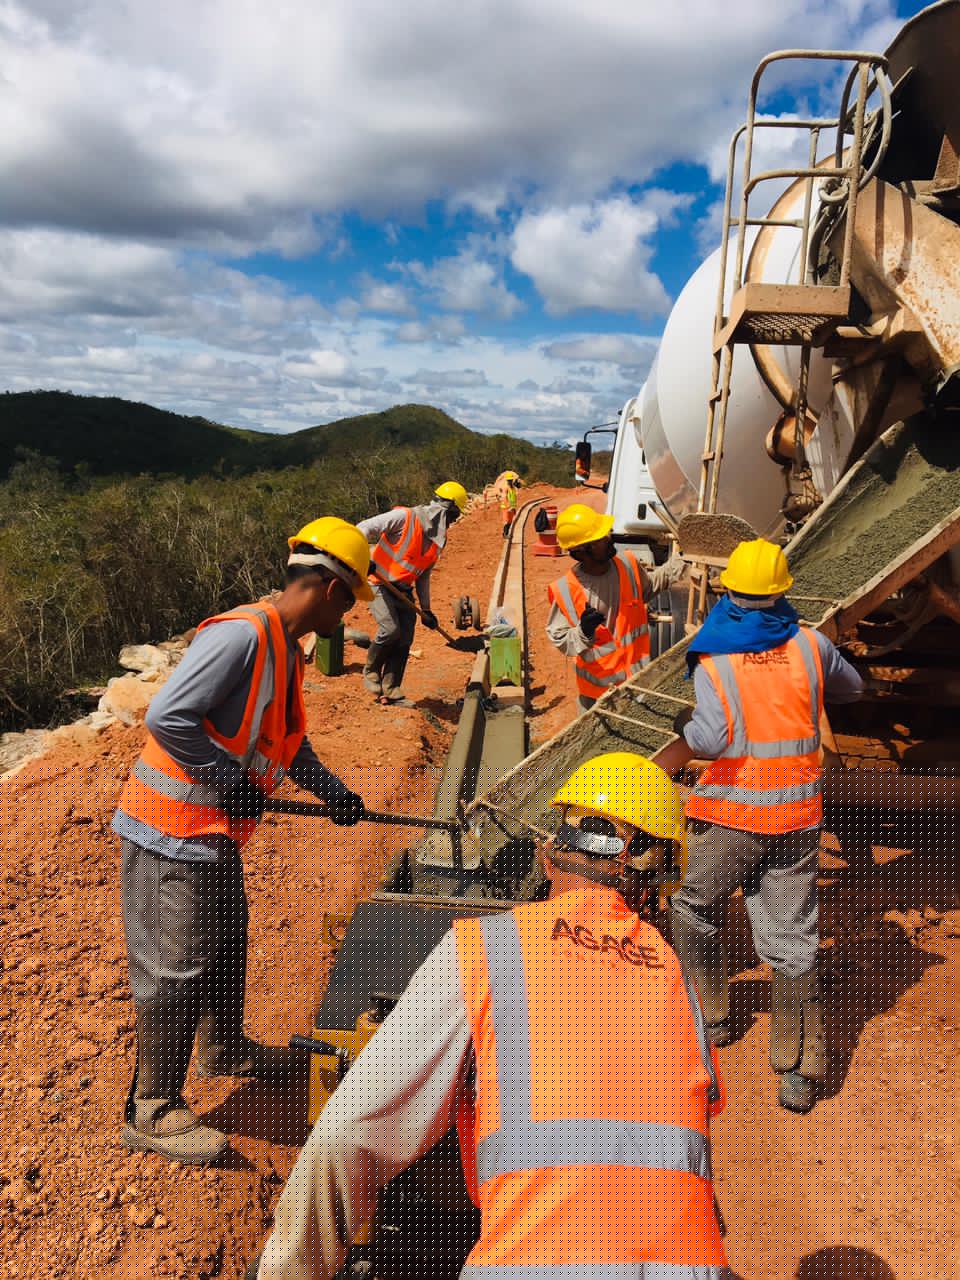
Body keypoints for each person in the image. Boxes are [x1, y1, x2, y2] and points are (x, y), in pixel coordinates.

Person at [247, 751, 730, 1280]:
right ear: (657, 881)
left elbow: (347, 1133)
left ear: (548, 857)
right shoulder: (677, 978)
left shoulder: (485, 951)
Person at [112, 517, 372, 1165]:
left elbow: (287, 739)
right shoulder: (243, 636)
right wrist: (230, 781)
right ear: (328, 587)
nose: (349, 614)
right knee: (175, 967)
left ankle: (224, 1048)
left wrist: (330, 789)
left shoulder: (285, 646)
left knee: (228, 935)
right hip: (168, 829)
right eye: (350, 599)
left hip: (210, 830)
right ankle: (153, 1109)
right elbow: (167, 716)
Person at [652, 538, 864, 1114]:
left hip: (733, 816)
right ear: (781, 592)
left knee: (694, 905)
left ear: (730, 592)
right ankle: (798, 1070)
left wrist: (677, 742)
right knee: (793, 940)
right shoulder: (811, 644)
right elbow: (854, 688)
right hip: (797, 815)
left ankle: (714, 1016)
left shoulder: (713, 652)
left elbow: (712, 737)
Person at [546, 502, 686, 711]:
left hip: (637, 684)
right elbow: (560, 638)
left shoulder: (627, 564)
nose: (608, 538)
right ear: (584, 551)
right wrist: (583, 632)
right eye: (601, 538)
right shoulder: (566, 589)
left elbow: (649, 587)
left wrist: (683, 560)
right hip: (598, 698)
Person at [357, 480, 468, 705]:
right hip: (379, 582)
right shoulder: (405, 517)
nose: (453, 522)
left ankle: (391, 688)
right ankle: (370, 671)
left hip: (404, 589)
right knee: (390, 629)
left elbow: (423, 574)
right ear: (447, 509)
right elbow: (363, 527)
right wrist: (364, 559)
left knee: (405, 638)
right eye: (454, 516)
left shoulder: (438, 539)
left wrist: (426, 609)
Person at [495, 469, 522, 537]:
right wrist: (508, 507)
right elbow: (504, 498)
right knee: (506, 521)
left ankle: (506, 533)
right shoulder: (506, 488)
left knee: (510, 522)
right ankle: (505, 534)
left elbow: (513, 499)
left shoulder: (512, 488)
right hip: (506, 507)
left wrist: (514, 507)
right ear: (507, 480)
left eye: (510, 480)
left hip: (511, 507)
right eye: (509, 480)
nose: (510, 481)